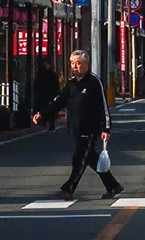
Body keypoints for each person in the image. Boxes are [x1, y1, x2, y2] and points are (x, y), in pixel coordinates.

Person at [33, 49, 121, 199]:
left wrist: (106, 128)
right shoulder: (72, 83)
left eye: (78, 63)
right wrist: (42, 114)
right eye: (72, 63)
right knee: (91, 158)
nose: (75, 66)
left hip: (91, 128)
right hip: (76, 127)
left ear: (87, 64)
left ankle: (68, 189)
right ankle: (113, 186)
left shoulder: (94, 82)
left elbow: (103, 107)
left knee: (80, 158)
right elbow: (58, 100)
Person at [31, 61, 62, 132]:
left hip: (49, 94)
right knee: (44, 107)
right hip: (43, 94)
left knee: (50, 108)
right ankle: (44, 121)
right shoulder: (41, 74)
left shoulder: (51, 75)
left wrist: (56, 93)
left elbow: (56, 85)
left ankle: (51, 123)